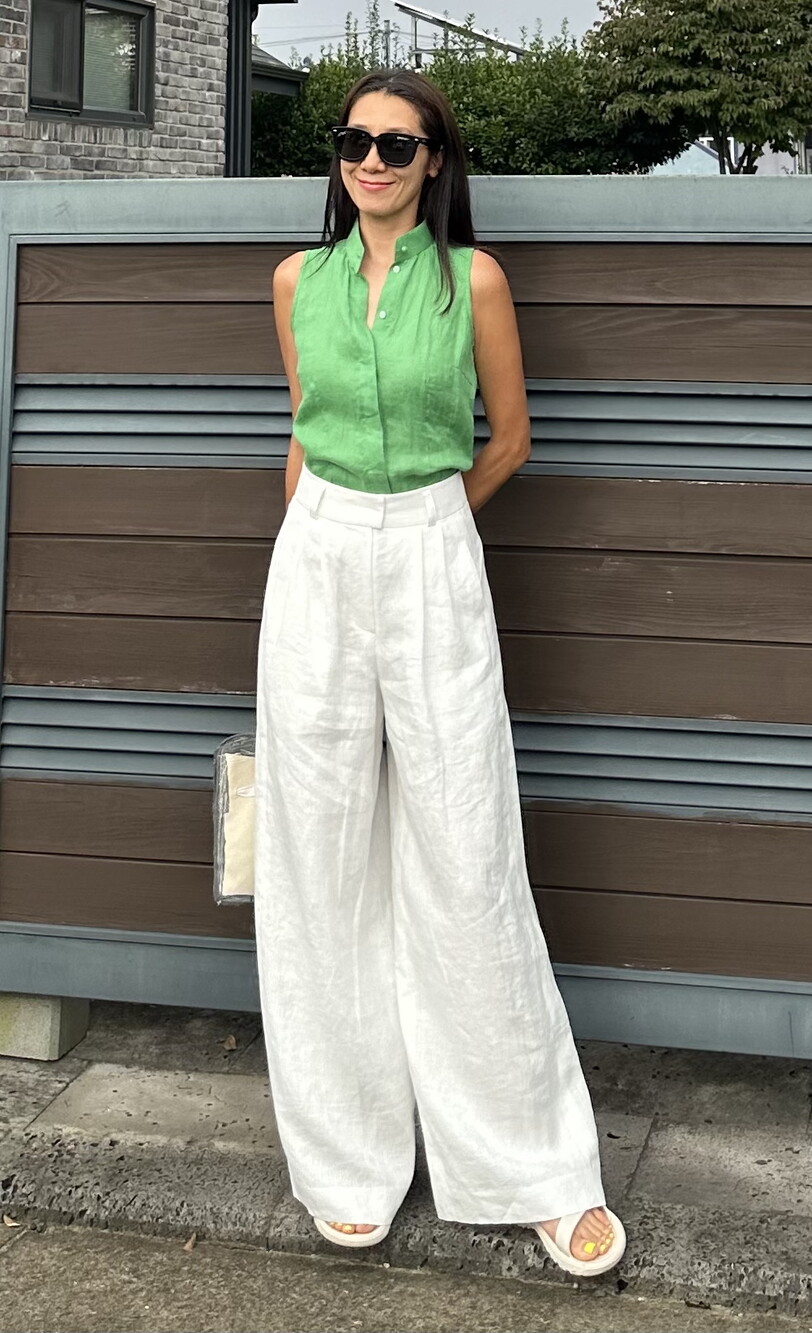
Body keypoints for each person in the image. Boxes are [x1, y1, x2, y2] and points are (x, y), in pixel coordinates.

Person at [254, 66, 626, 1278]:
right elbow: (301, 425)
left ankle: (531, 1165)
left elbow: (510, 438)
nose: (370, 160)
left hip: (428, 543)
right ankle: (344, 1155)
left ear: (434, 163)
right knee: (317, 851)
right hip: (316, 557)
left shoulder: (474, 281)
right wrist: (316, 540)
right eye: (353, 141)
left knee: (466, 847)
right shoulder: (295, 281)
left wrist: (430, 527)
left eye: (396, 145)